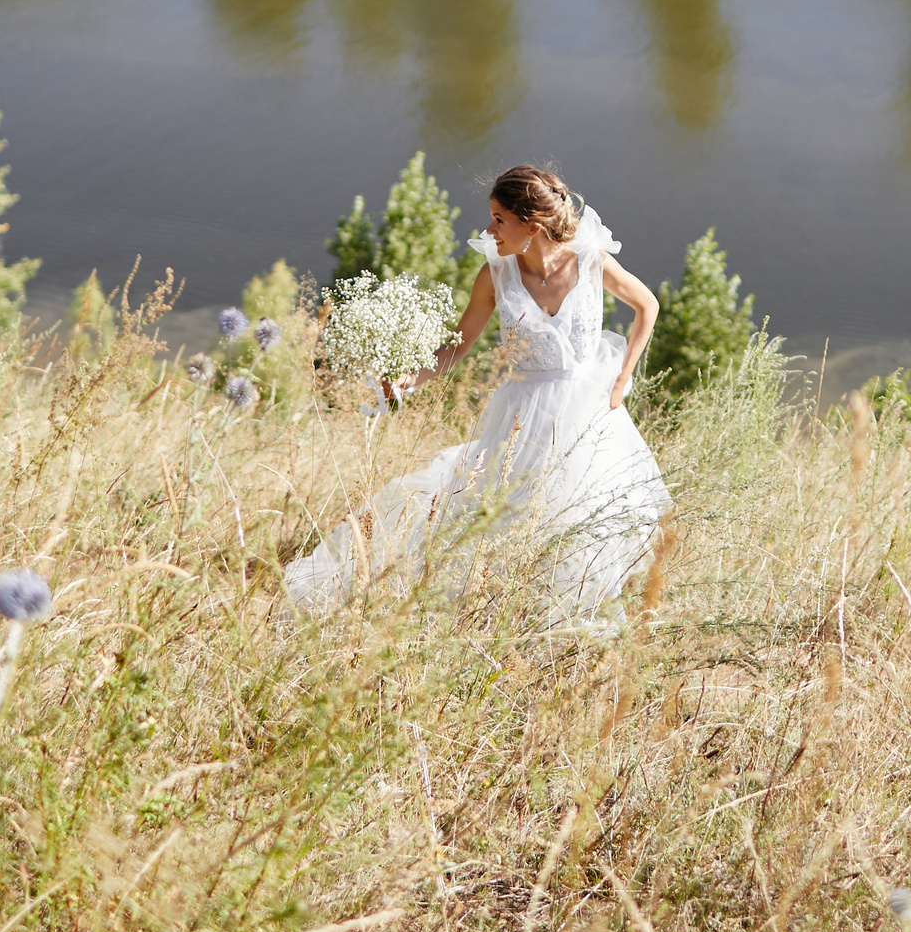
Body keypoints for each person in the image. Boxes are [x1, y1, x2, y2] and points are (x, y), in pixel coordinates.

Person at [284, 164, 672, 625]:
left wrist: (623, 377)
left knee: (586, 513)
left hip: (589, 410)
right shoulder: (496, 273)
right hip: (521, 413)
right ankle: (497, 612)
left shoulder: (590, 260)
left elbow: (647, 304)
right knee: (501, 512)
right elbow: (458, 344)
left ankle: (575, 616)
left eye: (498, 218)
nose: (489, 229)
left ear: (532, 223)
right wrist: (411, 378)